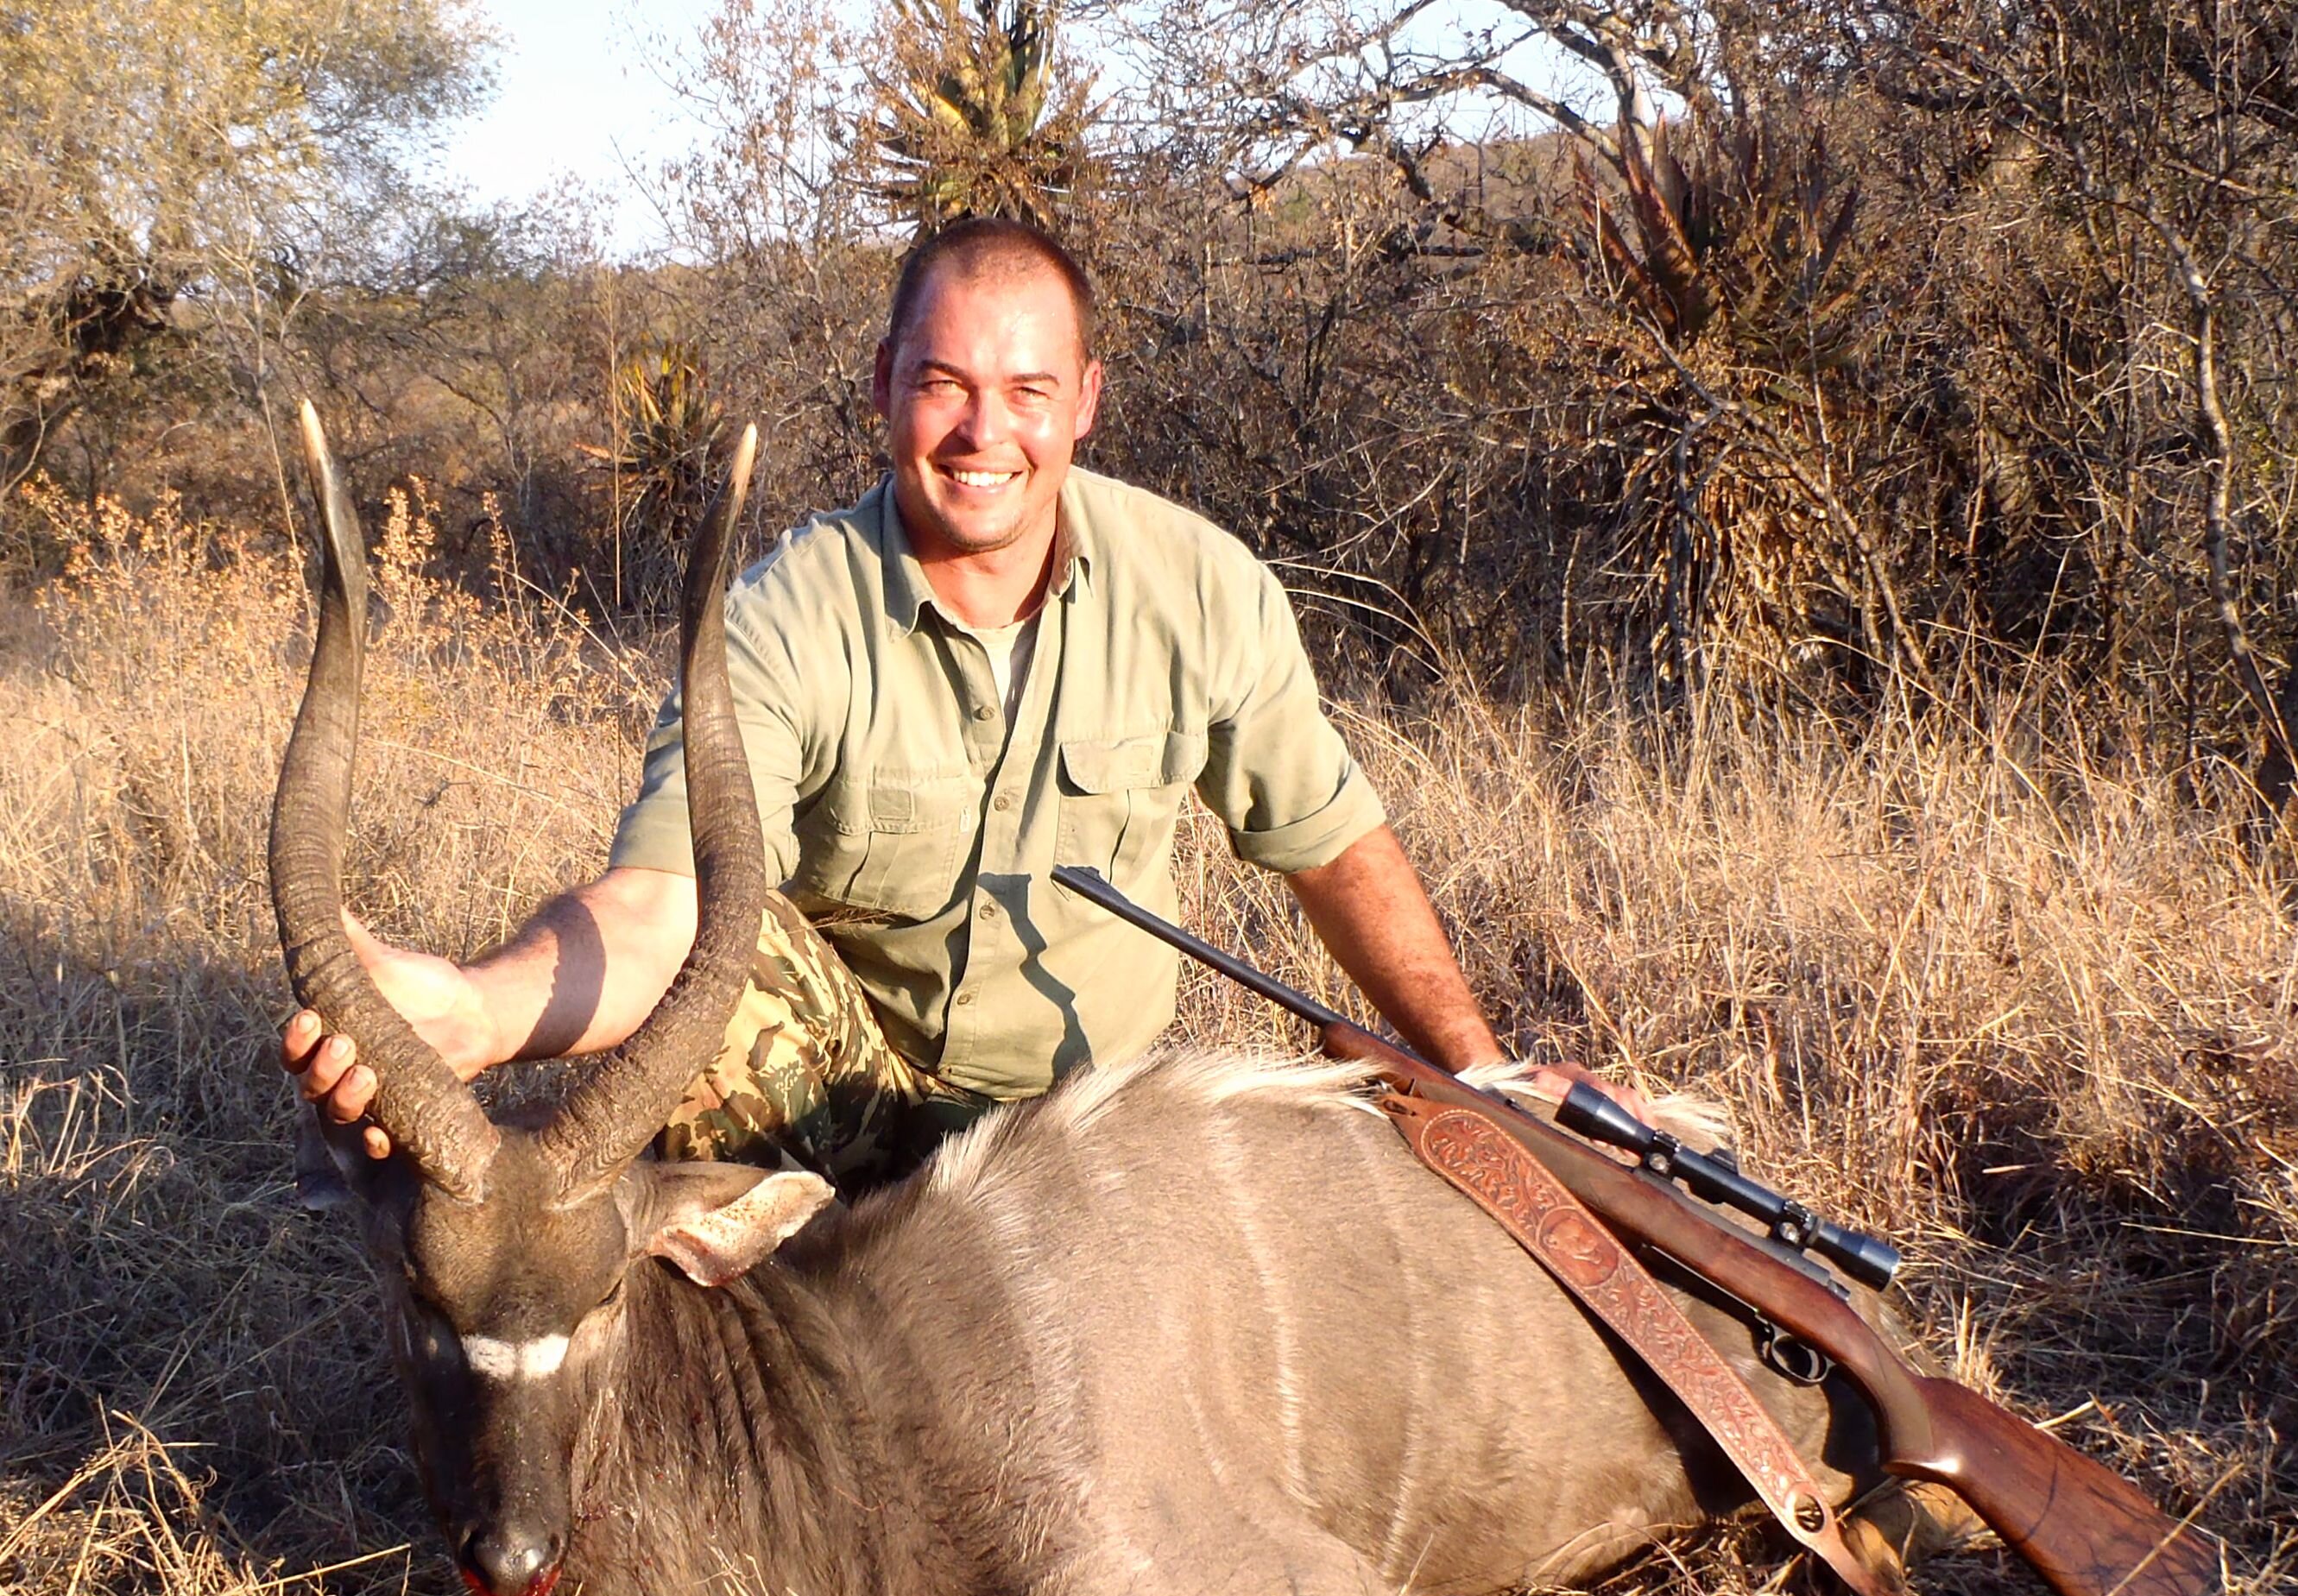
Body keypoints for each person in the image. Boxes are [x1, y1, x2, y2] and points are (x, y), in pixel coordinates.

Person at [285, 216, 1633, 1185]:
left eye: (1026, 391)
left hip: (1089, 1140)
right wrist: (480, 1011)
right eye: (944, 384)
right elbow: (663, 906)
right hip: (850, 1106)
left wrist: (1476, 1068)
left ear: (1085, 402)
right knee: (710, 988)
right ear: (884, 387)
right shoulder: (786, 611)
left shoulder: (1203, 586)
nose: (985, 434)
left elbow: (1331, 845)